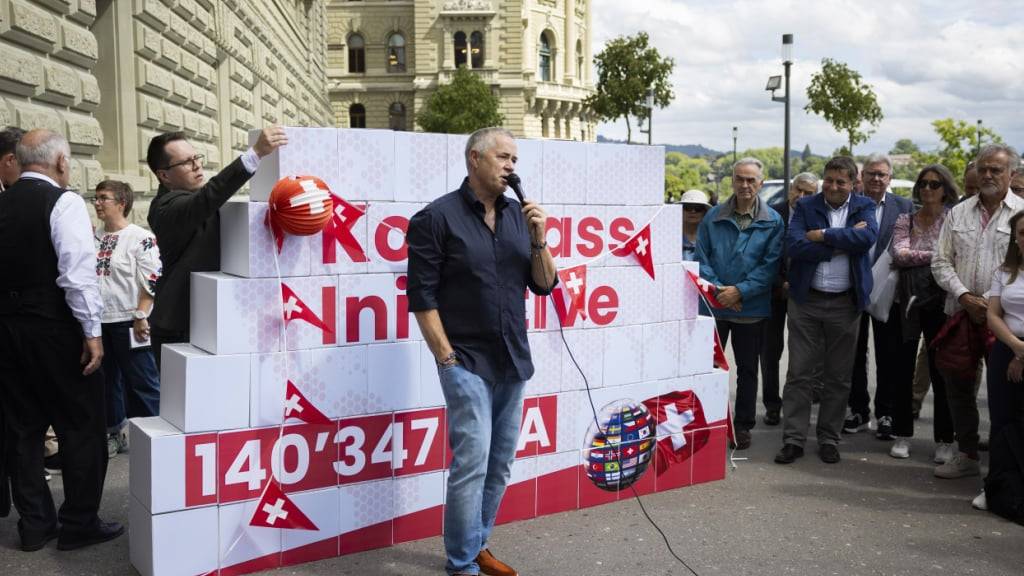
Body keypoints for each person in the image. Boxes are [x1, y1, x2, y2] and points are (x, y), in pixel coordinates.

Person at [407, 127, 557, 576]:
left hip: (513, 357)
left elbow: (545, 284)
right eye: (503, 157)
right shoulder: (436, 218)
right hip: (466, 361)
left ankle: (475, 545)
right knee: (471, 463)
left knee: (500, 462)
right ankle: (461, 563)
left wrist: (539, 237)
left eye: (515, 159)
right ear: (475, 158)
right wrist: (446, 359)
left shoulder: (518, 216)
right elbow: (422, 297)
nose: (512, 166)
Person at [0, 129, 122, 551]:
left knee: (23, 429)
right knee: (81, 426)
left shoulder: (3, 201)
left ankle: (35, 524)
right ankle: (79, 523)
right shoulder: (63, 201)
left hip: (8, 329)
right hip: (54, 328)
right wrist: (92, 332)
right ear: (61, 163)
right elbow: (76, 275)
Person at [146, 127, 286, 366]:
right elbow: (207, 199)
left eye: (196, 158)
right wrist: (254, 154)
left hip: (209, 318)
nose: (197, 166)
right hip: (179, 326)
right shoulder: (164, 208)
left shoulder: (192, 200)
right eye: (187, 162)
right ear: (164, 175)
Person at [775, 156, 878, 465]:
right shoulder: (807, 206)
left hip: (845, 304)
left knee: (838, 377)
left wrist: (822, 235)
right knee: (799, 374)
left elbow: (868, 237)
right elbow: (794, 245)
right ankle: (793, 439)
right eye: (829, 180)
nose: (833, 186)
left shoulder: (864, 207)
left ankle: (829, 438)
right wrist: (842, 244)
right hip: (806, 301)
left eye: (840, 182)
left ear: (853, 184)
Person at [932, 144, 1024, 485]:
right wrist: (965, 296)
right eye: (983, 168)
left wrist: (987, 301)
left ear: (1011, 174)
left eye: (996, 170)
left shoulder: (1021, 215)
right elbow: (940, 261)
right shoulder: (958, 213)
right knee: (958, 387)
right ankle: (968, 454)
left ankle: (1004, 470)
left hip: (1005, 322)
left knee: (1006, 396)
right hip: (960, 313)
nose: (987, 175)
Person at [695, 158, 784, 449]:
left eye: (751, 180)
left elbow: (770, 267)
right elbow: (701, 258)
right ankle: (708, 421)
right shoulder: (712, 217)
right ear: (732, 180)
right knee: (709, 368)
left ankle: (742, 425)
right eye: (739, 179)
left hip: (751, 308)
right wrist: (722, 291)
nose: (745, 185)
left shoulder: (773, 220)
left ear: (761, 182)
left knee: (747, 370)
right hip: (714, 305)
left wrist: (740, 292)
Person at [888, 165, 960, 461]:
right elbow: (899, 254)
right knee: (902, 369)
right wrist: (936, 258)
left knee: (941, 370)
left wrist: (922, 259)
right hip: (906, 301)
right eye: (924, 184)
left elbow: (955, 256)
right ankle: (902, 433)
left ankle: (944, 438)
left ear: (946, 189)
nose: (928, 189)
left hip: (942, 302)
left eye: (935, 184)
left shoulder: (952, 220)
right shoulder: (906, 219)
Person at [845, 155, 914, 439]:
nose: (876, 179)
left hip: (888, 294)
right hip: (853, 290)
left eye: (882, 175)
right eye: (871, 173)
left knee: (889, 355)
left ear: (890, 178)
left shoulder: (905, 207)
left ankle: (885, 412)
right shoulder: (849, 205)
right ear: (862, 175)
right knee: (853, 354)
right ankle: (858, 409)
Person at [93, 180, 162, 458]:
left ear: (121, 203)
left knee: (142, 380)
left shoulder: (140, 237)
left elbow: (150, 279)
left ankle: (155, 437)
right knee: (107, 382)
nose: (97, 203)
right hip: (99, 322)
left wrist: (141, 314)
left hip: (130, 320)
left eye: (103, 198)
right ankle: (115, 433)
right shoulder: (93, 237)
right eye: (95, 198)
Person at [761, 172, 818, 425]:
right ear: (790, 189)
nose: (802, 197)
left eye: (809, 193)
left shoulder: (819, 216)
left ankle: (798, 403)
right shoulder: (773, 213)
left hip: (804, 293)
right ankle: (772, 404)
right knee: (770, 351)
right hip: (773, 292)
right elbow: (761, 254)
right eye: (798, 190)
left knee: (803, 353)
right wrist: (779, 283)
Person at [981, 209, 1024, 511]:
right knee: (1001, 419)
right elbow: (993, 314)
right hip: (1006, 348)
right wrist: (1015, 347)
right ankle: (996, 488)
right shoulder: (1004, 272)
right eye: (1022, 233)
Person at [680, 189, 711, 261]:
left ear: (705, 212)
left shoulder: (711, 238)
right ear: (680, 210)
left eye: (698, 208)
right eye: (688, 207)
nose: (693, 211)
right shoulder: (670, 236)